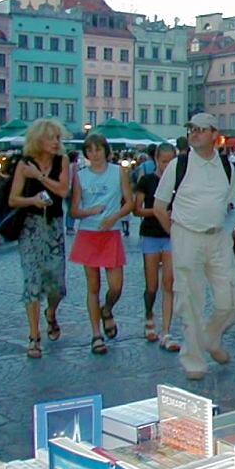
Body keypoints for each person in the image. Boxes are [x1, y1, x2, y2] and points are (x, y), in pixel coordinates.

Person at [153, 113, 235, 380]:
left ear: (215, 134)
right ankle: (193, 360)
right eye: (191, 129)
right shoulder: (178, 165)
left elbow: (227, 203)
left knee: (232, 299)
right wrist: (177, 234)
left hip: (217, 236)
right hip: (187, 235)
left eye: (201, 129)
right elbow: (159, 207)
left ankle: (211, 338)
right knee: (189, 300)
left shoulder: (226, 166)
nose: (194, 133)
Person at [8, 118, 70, 359]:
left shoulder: (62, 161)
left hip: (54, 227)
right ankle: (34, 336)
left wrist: (40, 177)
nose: (56, 142)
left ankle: (51, 313)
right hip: (31, 227)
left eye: (58, 138)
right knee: (32, 281)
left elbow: (63, 190)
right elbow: (13, 199)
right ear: (38, 140)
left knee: (57, 285)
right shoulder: (25, 163)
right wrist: (32, 200)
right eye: (50, 138)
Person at [68, 133, 134, 355]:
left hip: (111, 232)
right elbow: (74, 210)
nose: (94, 154)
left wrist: (113, 217)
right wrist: (90, 211)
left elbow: (129, 202)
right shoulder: (80, 176)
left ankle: (107, 309)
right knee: (93, 287)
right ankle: (96, 334)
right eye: (90, 150)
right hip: (89, 233)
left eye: (98, 149)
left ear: (105, 151)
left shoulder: (118, 172)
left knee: (116, 286)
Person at [134, 142, 180, 352]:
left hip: (170, 235)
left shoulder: (178, 183)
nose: (167, 165)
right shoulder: (147, 181)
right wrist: (157, 211)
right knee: (151, 285)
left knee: (168, 283)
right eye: (163, 161)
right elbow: (137, 209)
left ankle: (166, 330)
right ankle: (149, 314)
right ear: (156, 160)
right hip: (151, 234)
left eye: (171, 162)